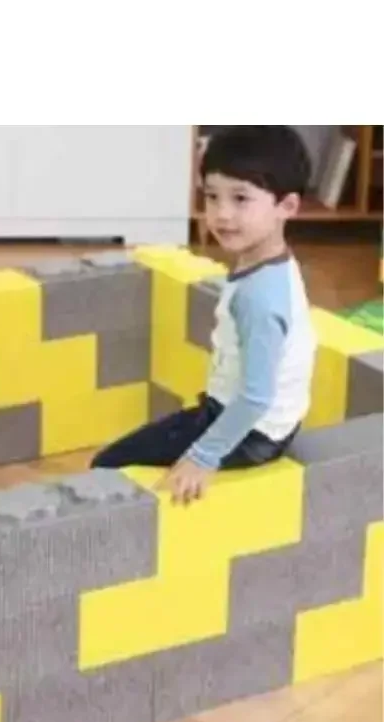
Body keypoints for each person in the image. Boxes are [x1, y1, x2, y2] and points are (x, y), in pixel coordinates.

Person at [92, 125, 317, 506]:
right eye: (212, 196)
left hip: (252, 434)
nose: (222, 214)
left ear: (287, 207)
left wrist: (202, 456)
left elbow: (256, 397)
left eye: (240, 198)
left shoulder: (260, 298)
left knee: (106, 466)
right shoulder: (268, 263)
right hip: (260, 423)